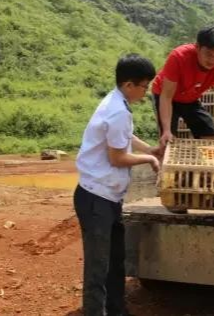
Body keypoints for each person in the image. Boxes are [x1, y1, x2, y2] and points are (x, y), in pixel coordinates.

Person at [74, 54, 161, 316]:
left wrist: (149, 149)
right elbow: (117, 157)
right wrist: (149, 159)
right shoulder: (117, 110)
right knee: (98, 265)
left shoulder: (117, 103)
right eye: (144, 86)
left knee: (115, 259)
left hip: (107, 197)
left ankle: (116, 309)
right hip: (96, 197)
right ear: (129, 85)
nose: (145, 92)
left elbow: (125, 135)